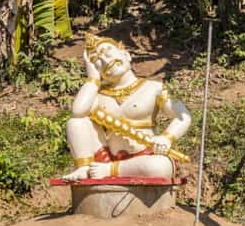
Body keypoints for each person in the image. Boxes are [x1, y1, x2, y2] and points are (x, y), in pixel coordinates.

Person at [62, 35, 191, 181]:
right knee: (76, 121)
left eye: (108, 50)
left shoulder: (153, 88)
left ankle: (111, 170)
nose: (105, 59)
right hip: (106, 157)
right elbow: (78, 111)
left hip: (144, 156)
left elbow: (182, 115)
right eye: (97, 59)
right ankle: (84, 167)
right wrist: (93, 79)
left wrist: (167, 138)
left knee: (160, 166)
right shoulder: (98, 96)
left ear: (126, 55)